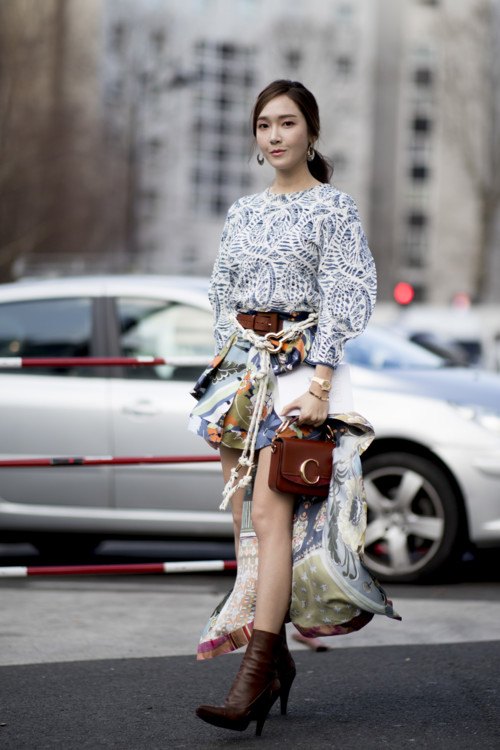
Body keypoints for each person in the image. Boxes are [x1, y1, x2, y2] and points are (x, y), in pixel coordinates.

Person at [188, 79, 399, 737]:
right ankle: (276, 663)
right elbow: (220, 290)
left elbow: (345, 294)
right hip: (242, 375)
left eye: (286, 122)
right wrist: (227, 364)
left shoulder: (333, 208)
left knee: (269, 517)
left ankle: (252, 677)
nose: (274, 135)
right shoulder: (242, 211)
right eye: (264, 125)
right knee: (244, 528)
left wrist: (321, 383)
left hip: (301, 372)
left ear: (310, 130)